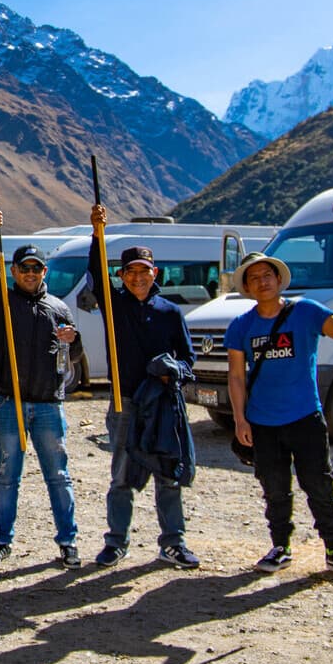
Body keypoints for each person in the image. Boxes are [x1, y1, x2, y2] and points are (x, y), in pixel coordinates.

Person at [224, 251, 333, 582]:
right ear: (247, 286)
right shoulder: (241, 325)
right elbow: (236, 376)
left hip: (305, 416)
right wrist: (239, 419)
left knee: (319, 484)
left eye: (267, 275)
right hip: (262, 422)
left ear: (278, 280)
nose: (262, 282)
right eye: (254, 278)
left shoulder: (306, 312)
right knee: (274, 488)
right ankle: (280, 547)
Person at [88, 204, 199, 570]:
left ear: (156, 273)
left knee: (168, 475)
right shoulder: (114, 305)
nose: (138, 278)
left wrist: (173, 372)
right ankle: (116, 542)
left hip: (165, 407)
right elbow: (93, 272)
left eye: (144, 271)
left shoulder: (171, 312)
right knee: (122, 475)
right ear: (121, 275)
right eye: (131, 272)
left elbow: (189, 360)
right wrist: (96, 232)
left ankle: (173, 542)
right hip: (126, 403)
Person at [0, 210, 82, 569]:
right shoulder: (2, 302)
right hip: (8, 403)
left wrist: (74, 339)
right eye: (25, 268)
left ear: (44, 273)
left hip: (49, 404)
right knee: (8, 476)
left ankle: (68, 541)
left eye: (37, 268)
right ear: (15, 271)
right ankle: (2, 539)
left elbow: (73, 354)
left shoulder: (59, 308)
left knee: (58, 475)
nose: (31, 274)